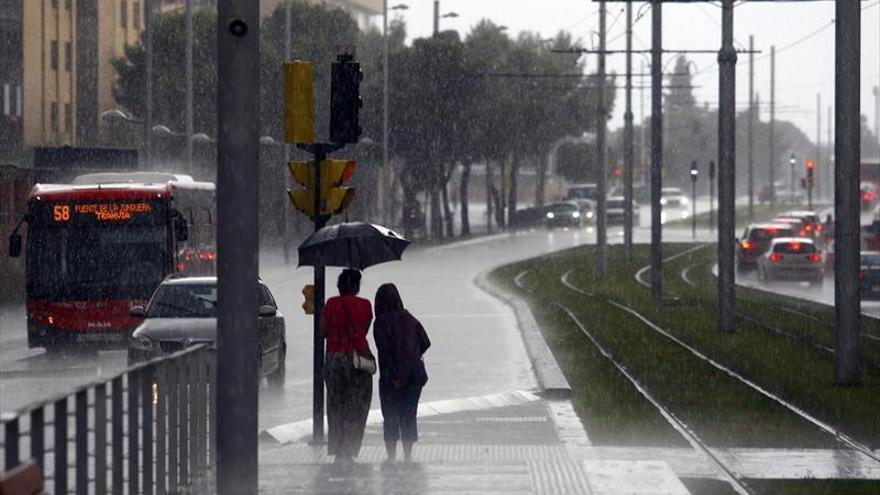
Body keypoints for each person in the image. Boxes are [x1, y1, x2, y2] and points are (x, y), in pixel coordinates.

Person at [373, 283, 431, 463]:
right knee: (408, 414)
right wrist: (413, 355)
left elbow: (384, 351)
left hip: (391, 377)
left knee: (390, 416)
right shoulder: (409, 318)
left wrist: (397, 375)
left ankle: (391, 456)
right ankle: (408, 455)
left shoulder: (380, 322)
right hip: (413, 375)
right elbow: (425, 342)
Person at [323, 269, 374, 464]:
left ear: (339, 285)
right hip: (358, 359)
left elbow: (323, 330)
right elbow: (364, 330)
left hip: (334, 358)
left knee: (336, 405)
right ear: (357, 286)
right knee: (357, 405)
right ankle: (350, 449)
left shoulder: (331, 303)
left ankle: (337, 450)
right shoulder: (365, 305)